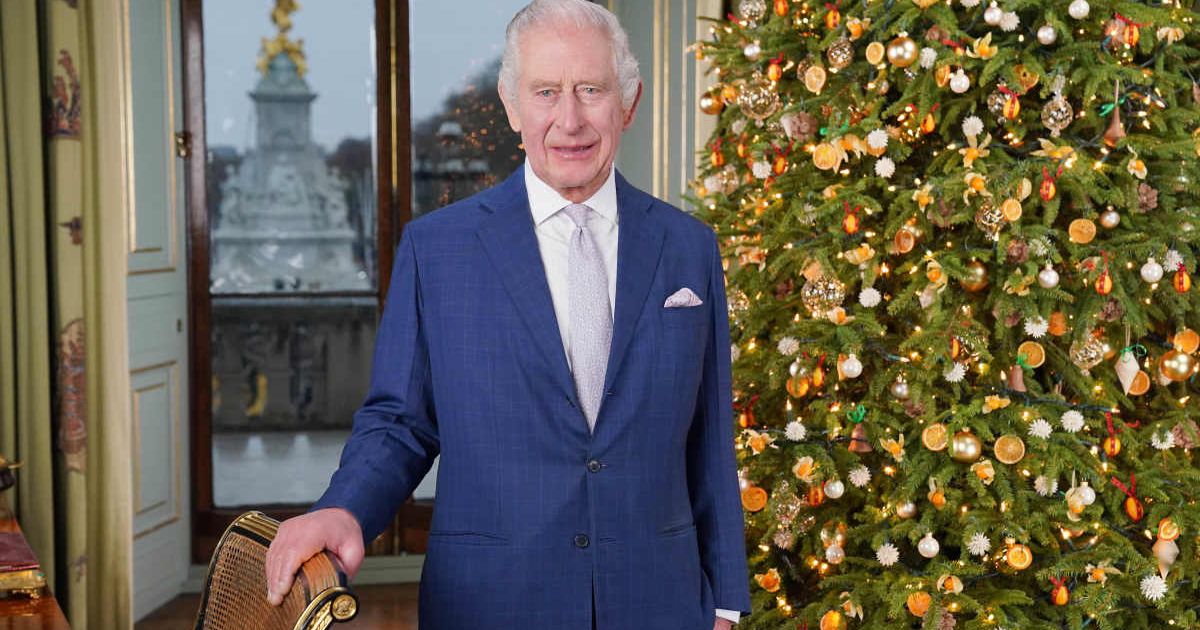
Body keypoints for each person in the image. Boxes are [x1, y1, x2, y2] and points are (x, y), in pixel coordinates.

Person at [264, 1, 751, 627]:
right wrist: (344, 509)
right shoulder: (437, 250)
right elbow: (400, 424)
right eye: (546, 91)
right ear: (512, 107)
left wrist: (728, 602)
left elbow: (709, 439)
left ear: (628, 102)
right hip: (492, 601)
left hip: (661, 600)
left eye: (591, 90)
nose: (569, 119)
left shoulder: (688, 247)